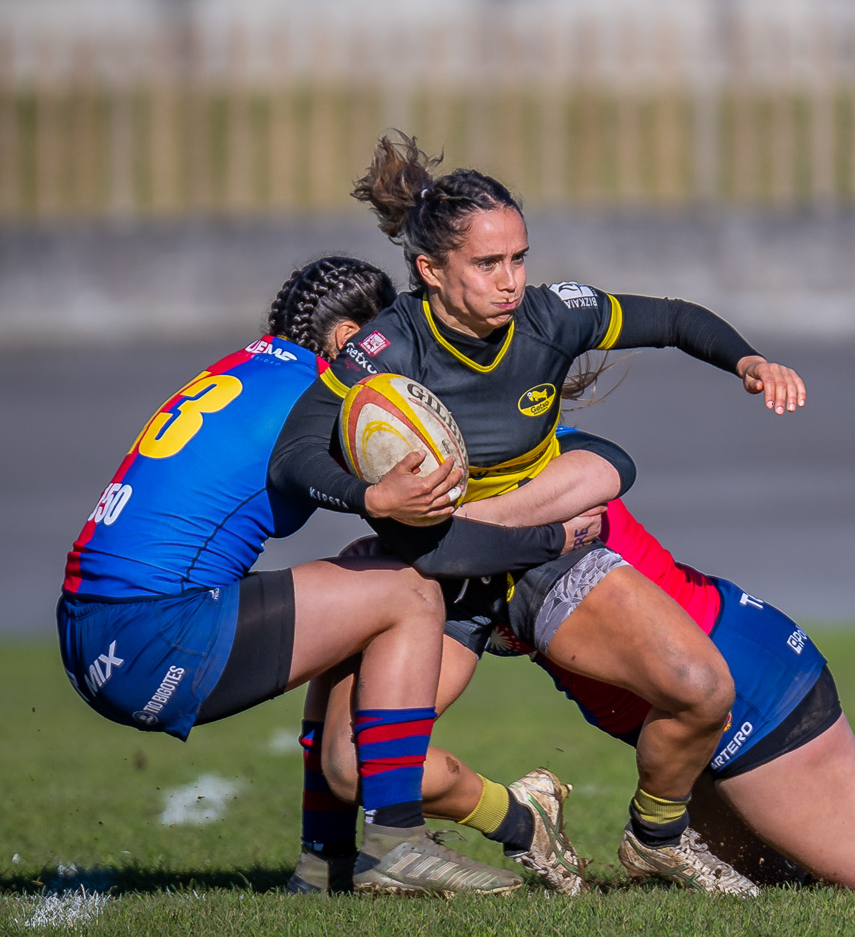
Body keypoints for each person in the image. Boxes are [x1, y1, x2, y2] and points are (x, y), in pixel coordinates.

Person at [270, 133, 810, 892]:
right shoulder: (387, 346)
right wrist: (372, 498)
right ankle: (521, 817)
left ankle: (657, 835)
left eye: (519, 257)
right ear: (430, 270)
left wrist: (749, 361)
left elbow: (675, 319)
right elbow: (293, 455)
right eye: (488, 264)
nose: (512, 280)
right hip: (448, 570)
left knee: (703, 686)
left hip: (549, 556)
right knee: (355, 767)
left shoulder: (552, 316)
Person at [312, 493, 855, 897]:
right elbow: (394, 734)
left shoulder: (537, 489)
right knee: (784, 857)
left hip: (749, 689)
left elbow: (603, 460)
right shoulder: (460, 563)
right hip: (700, 714)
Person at [58, 257, 541, 897]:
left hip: (91, 631)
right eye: (385, 340)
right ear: (346, 340)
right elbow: (434, 527)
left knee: (364, 584)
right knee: (410, 591)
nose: (395, 358)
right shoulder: (319, 391)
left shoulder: (248, 368)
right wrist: (551, 537)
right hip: (153, 635)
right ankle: (397, 839)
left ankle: (325, 861)